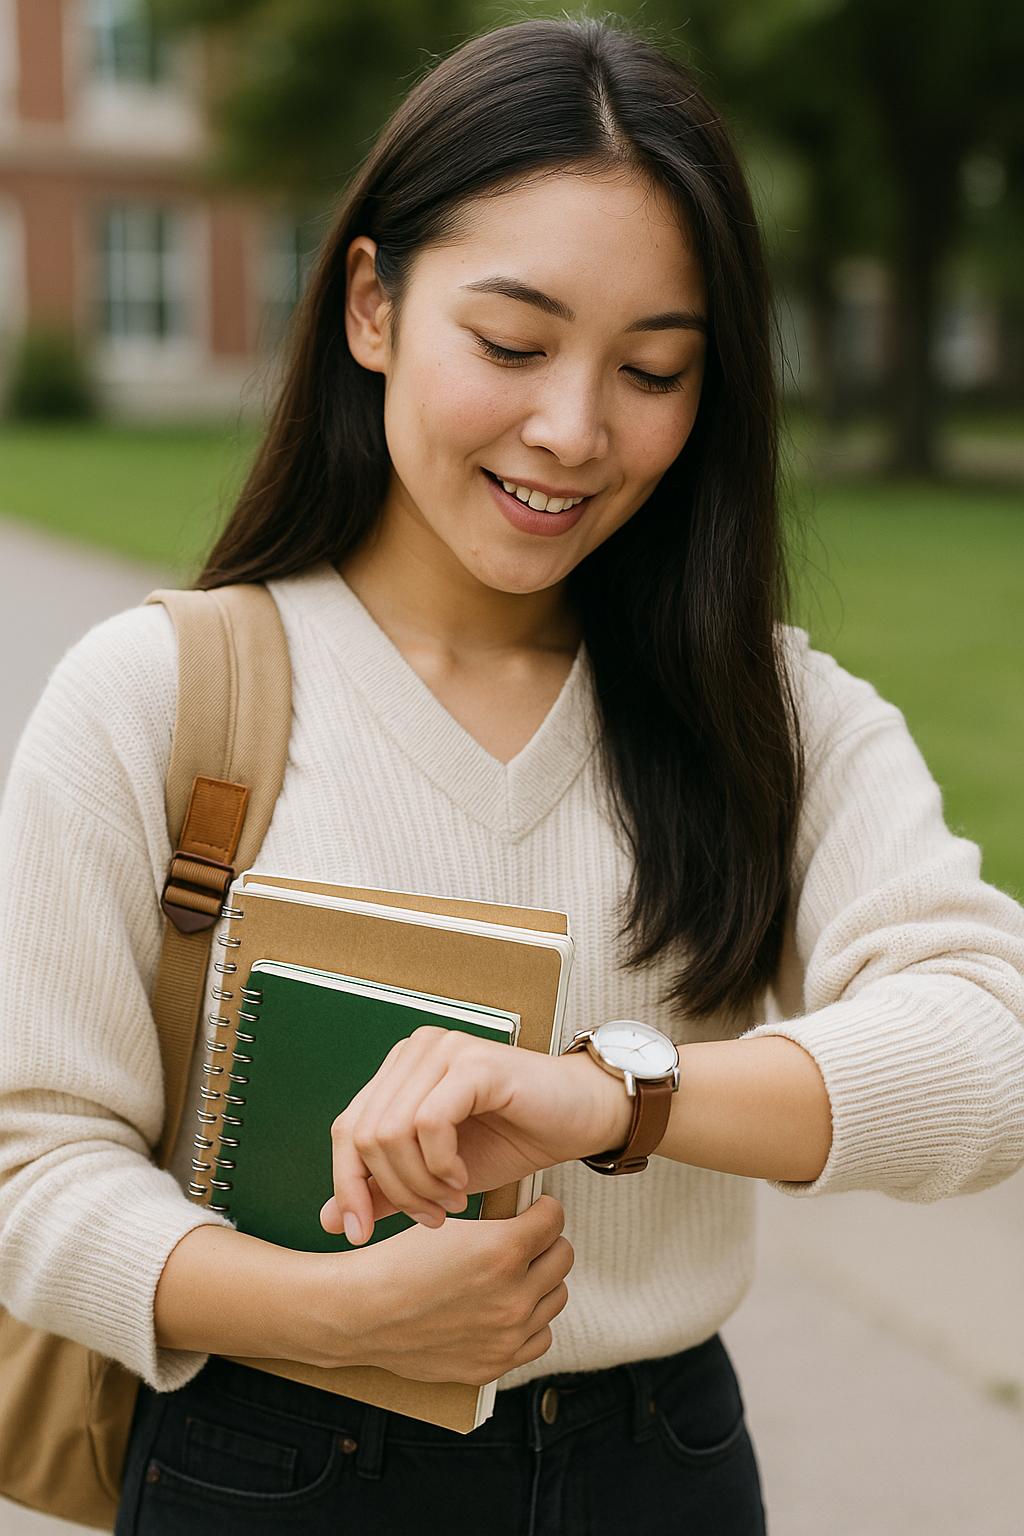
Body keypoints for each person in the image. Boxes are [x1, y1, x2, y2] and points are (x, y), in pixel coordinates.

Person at [1, 14, 1022, 1536]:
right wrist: (323, 1313)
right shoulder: (160, 699)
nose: (574, 430)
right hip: (266, 1470)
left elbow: (988, 1049)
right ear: (370, 304)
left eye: (655, 369)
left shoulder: (772, 713)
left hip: (660, 1469)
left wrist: (606, 1095)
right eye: (513, 343)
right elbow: (31, 1168)